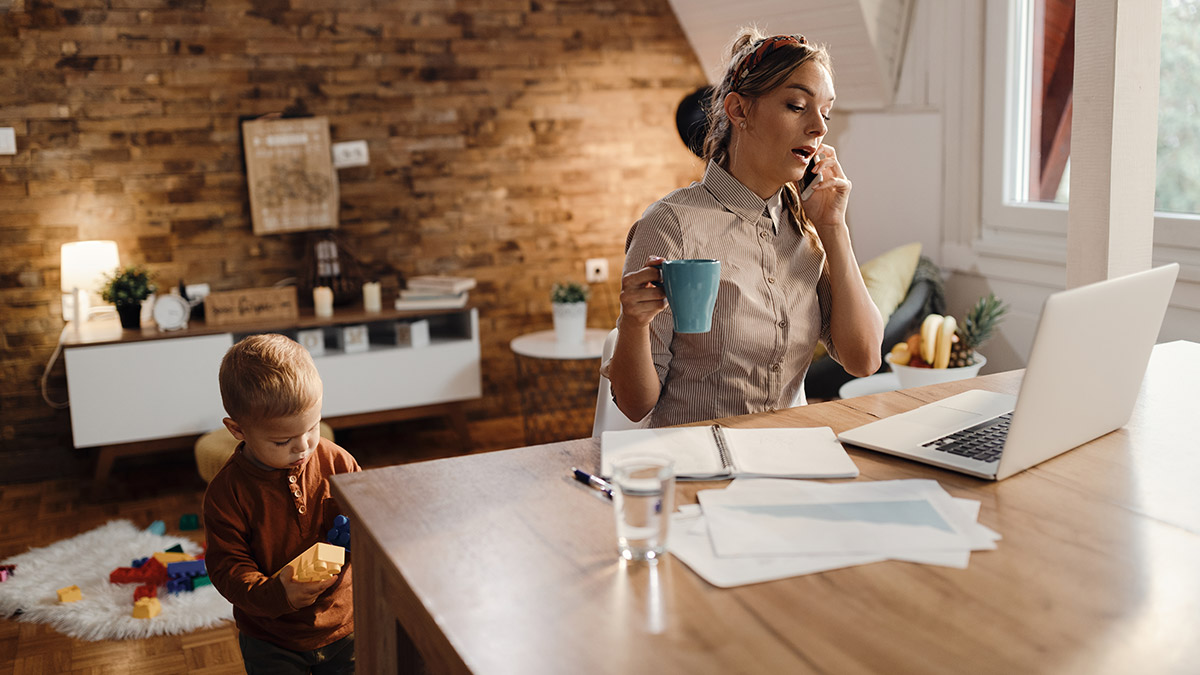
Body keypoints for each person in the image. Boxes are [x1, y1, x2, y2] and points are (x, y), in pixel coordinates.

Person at [608, 29, 884, 427]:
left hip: (791, 461)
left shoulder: (806, 228)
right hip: (701, 466)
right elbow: (635, 406)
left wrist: (834, 227)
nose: (819, 128)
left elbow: (864, 359)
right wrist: (633, 324)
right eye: (796, 105)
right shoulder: (670, 225)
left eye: (825, 113)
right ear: (739, 112)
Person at [204, 333, 360, 674]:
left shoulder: (338, 462)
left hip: (345, 625)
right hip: (272, 639)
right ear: (238, 430)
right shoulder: (226, 493)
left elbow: (371, 518)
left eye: (313, 427)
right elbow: (227, 568)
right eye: (282, 440)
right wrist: (277, 594)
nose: (302, 447)